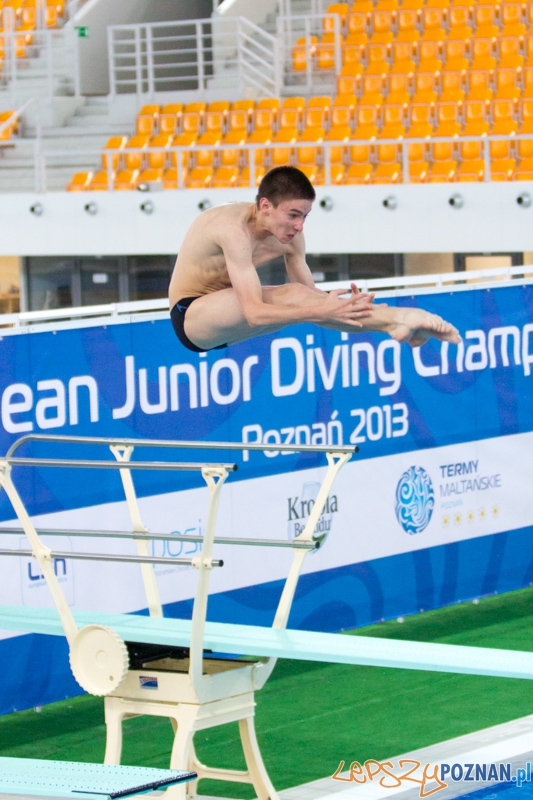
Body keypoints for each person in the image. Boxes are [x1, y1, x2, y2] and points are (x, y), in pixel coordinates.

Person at [169, 166, 460, 353]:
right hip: (192, 317)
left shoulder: (291, 235)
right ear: (266, 206)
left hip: (229, 316)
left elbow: (316, 302)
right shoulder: (232, 230)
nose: (299, 227)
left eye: (305, 216)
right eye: (293, 215)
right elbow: (255, 313)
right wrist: (319, 308)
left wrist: (347, 307)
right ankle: (398, 318)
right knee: (302, 300)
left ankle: (398, 326)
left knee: (318, 302)